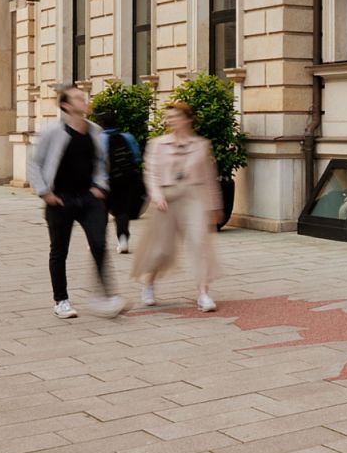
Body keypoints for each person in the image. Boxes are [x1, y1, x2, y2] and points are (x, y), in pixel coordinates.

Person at [27, 86, 127, 319]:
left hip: (89, 199)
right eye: (78, 98)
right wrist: (44, 192)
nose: (84, 100)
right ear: (66, 105)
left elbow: (101, 162)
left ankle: (106, 296)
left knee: (99, 244)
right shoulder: (52, 132)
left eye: (84, 97)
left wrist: (100, 185)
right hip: (60, 199)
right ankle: (61, 300)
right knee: (59, 250)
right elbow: (35, 163)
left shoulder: (95, 130)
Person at [132, 101, 223, 312]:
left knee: (199, 243)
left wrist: (215, 206)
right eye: (169, 117)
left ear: (187, 119)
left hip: (193, 196)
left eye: (175, 116)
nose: (170, 120)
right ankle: (149, 282)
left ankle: (203, 293)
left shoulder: (201, 145)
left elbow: (209, 178)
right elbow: (151, 173)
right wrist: (156, 195)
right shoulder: (157, 144)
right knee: (161, 250)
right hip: (166, 198)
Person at [95, 110, 144, 254]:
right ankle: (123, 240)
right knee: (122, 211)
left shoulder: (98, 139)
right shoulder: (127, 137)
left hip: (104, 182)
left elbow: (95, 162)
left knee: (101, 212)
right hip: (124, 181)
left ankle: (99, 241)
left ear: (101, 124)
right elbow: (137, 157)